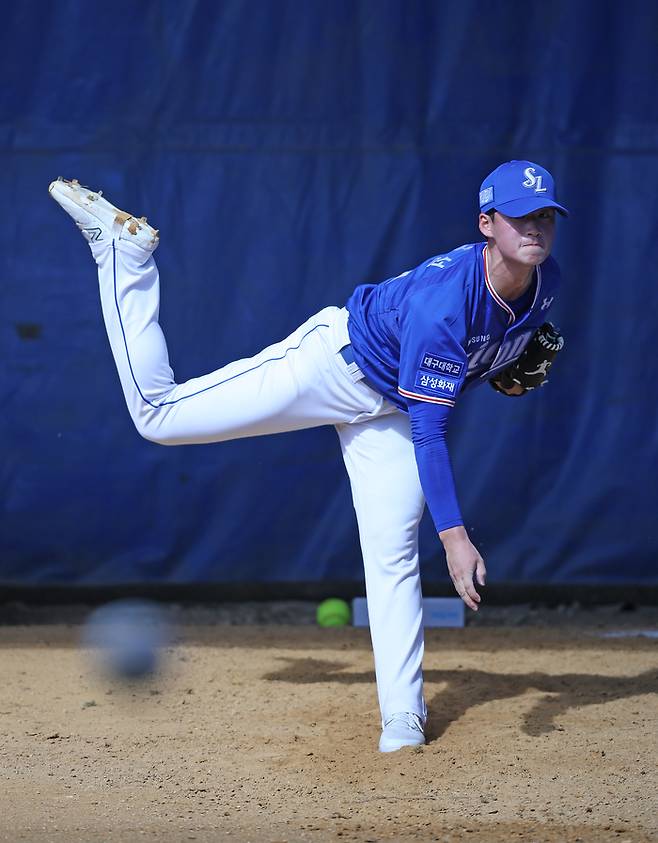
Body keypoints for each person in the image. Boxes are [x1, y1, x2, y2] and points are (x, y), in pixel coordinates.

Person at [49, 159, 568, 752]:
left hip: (391, 408)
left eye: (546, 215)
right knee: (157, 416)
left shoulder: (547, 282)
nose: (535, 228)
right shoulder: (444, 302)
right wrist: (454, 535)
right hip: (332, 366)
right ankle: (124, 256)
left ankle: (403, 717)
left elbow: (483, 362)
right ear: (487, 223)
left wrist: (505, 366)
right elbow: (431, 428)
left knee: (392, 551)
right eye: (520, 216)